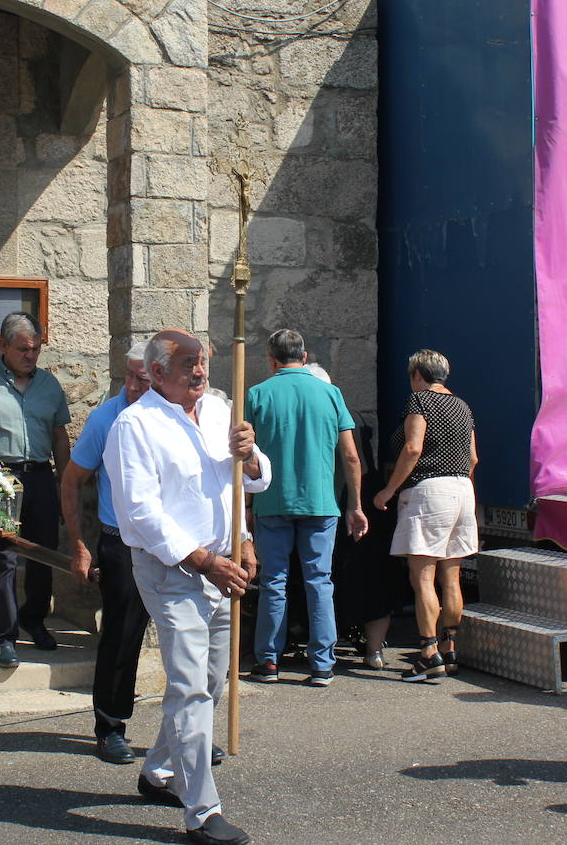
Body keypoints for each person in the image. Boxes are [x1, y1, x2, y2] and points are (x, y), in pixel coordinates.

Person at [105, 329, 270, 845]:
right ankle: (201, 811)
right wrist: (204, 560)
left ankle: (158, 770)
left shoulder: (219, 410)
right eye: (189, 364)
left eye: (203, 362)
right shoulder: (135, 426)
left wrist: (251, 459)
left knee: (212, 681)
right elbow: (141, 513)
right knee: (192, 686)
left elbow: (248, 481)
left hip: (222, 565)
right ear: (157, 373)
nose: (200, 371)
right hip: (171, 571)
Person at [245, 329, 367, 687]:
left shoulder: (257, 394)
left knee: (273, 581)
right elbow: (350, 455)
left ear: (271, 360)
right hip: (320, 502)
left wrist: (247, 504)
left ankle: (269, 661)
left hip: (272, 500)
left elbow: (246, 456)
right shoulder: (330, 393)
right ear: (305, 356)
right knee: (319, 581)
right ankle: (322, 664)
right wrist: (355, 504)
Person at [0, 312, 71, 668]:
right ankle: (4, 636)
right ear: (3, 346)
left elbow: (59, 437)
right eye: (23, 349)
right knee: (3, 558)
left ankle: (34, 618)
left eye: (35, 349)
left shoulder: (49, 385)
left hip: (40, 476)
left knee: (43, 552)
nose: (30, 355)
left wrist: (64, 484)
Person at [62, 343, 153, 764]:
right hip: (122, 543)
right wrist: (79, 545)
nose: (132, 385)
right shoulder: (105, 419)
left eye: (142, 379)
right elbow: (72, 480)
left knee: (185, 639)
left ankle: (186, 731)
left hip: (172, 544)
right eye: (129, 376)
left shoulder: (174, 416)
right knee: (121, 635)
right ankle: (110, 726)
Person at [372, 348, 478, 681]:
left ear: (418, 374)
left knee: (423, 578)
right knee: (451, 578)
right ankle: (450, 648)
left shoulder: (420, 401)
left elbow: (413, 447)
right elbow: (473, 458)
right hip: (463, 490)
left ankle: (429, 654)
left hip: (429, 491)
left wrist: (389, 490)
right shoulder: (462, 406)